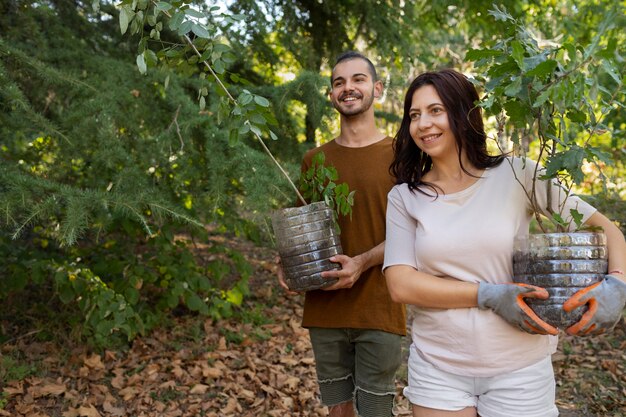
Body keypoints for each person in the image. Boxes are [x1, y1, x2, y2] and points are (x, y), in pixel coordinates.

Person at [383, 69, 626, 417]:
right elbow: (400, 284)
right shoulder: (405, 196)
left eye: (435, 111)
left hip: (520, 367)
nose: (423, 124)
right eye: (414, 115)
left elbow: (607, 230)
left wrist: (617, 283)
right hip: (439, 366)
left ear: (463, 111)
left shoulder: (517, 174)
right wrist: (489, 295)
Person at [276, 51, 406, 417]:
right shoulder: (314, 160)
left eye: (358, 80)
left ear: (377, 89)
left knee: (376, 410)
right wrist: (284, 261)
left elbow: (416, 232)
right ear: (331, 94)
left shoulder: (401, 155)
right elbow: (302, 228)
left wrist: (362, 263)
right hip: (326, 307)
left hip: (381, 304)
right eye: (339, 82)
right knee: (339, 410)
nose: (348, 88)